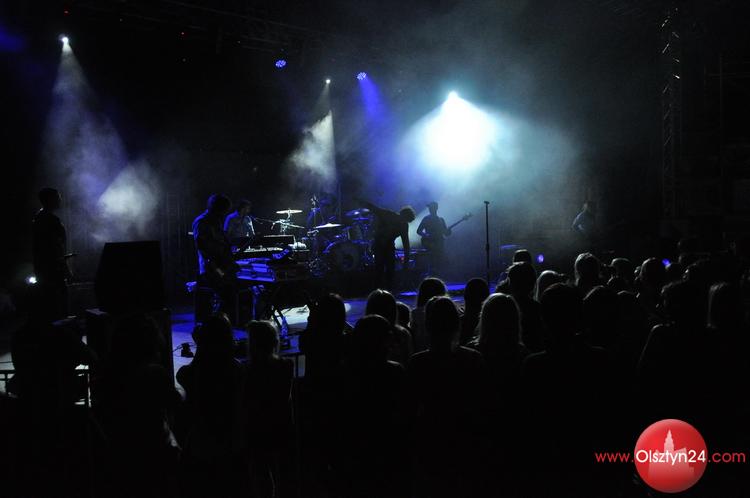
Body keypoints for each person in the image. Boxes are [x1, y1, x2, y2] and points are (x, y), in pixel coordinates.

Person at [193, 194, 240, 319]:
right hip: (212, 269)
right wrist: (219, 271)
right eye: (223, 211)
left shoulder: (216, 221)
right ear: (217, 209)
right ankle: (216, 324)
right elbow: (203, 249)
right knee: (226, 297)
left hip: (221, 267)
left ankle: (222, 323)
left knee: (231, 296)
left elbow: (221, 244)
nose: (224, 214)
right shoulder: (202, 222)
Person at [31, 187, 71, 320]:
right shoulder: (50, 220)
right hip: (53, 268)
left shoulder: (39, 217)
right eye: (58, 197)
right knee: (58, 301)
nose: (60, 200)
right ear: (50, 199)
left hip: (43, 267)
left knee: (49, 302)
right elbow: (55, 247)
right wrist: (65, 268)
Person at [361, 199, 416, 290]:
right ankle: (380, 291)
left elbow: (406, 243)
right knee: (381, 270)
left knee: (386, 271)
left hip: (387, 246)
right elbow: (375, 208)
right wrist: (361, 202)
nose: (403, 221)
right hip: (380, 245)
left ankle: (384, 291)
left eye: (406, 220)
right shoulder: (390, 216)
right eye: (405, 219)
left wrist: (406, 261)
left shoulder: (402, 224)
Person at [416, 201, 451, 274]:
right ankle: (431, 275)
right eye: (429, 208)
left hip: (439, 244)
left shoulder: (441, 220)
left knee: (438, 262)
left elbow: (446, 233)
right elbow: (418, 231)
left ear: (435, 208)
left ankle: (436, 275)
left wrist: (449, 231)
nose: (430, 209)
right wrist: (426, 235)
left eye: (431, 207)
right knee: (431, 261)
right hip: (430, 244)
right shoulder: (426, 219)